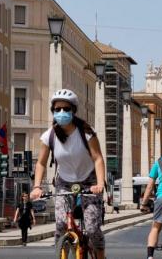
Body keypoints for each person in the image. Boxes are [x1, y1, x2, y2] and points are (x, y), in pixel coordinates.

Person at [30, 89, 107, 259]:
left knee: (93, 228)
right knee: (60, 224)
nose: (61, 112)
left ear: (73, 110)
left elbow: (98, 159)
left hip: (89, 180)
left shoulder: (86, 132)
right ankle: (61, 251)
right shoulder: (49, 136)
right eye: (57, 109)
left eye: (66, 109)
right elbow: (41, 163)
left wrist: (100, 184)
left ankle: (100, 254)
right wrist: (37, 186)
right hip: (64, 181)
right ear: (53, 112)